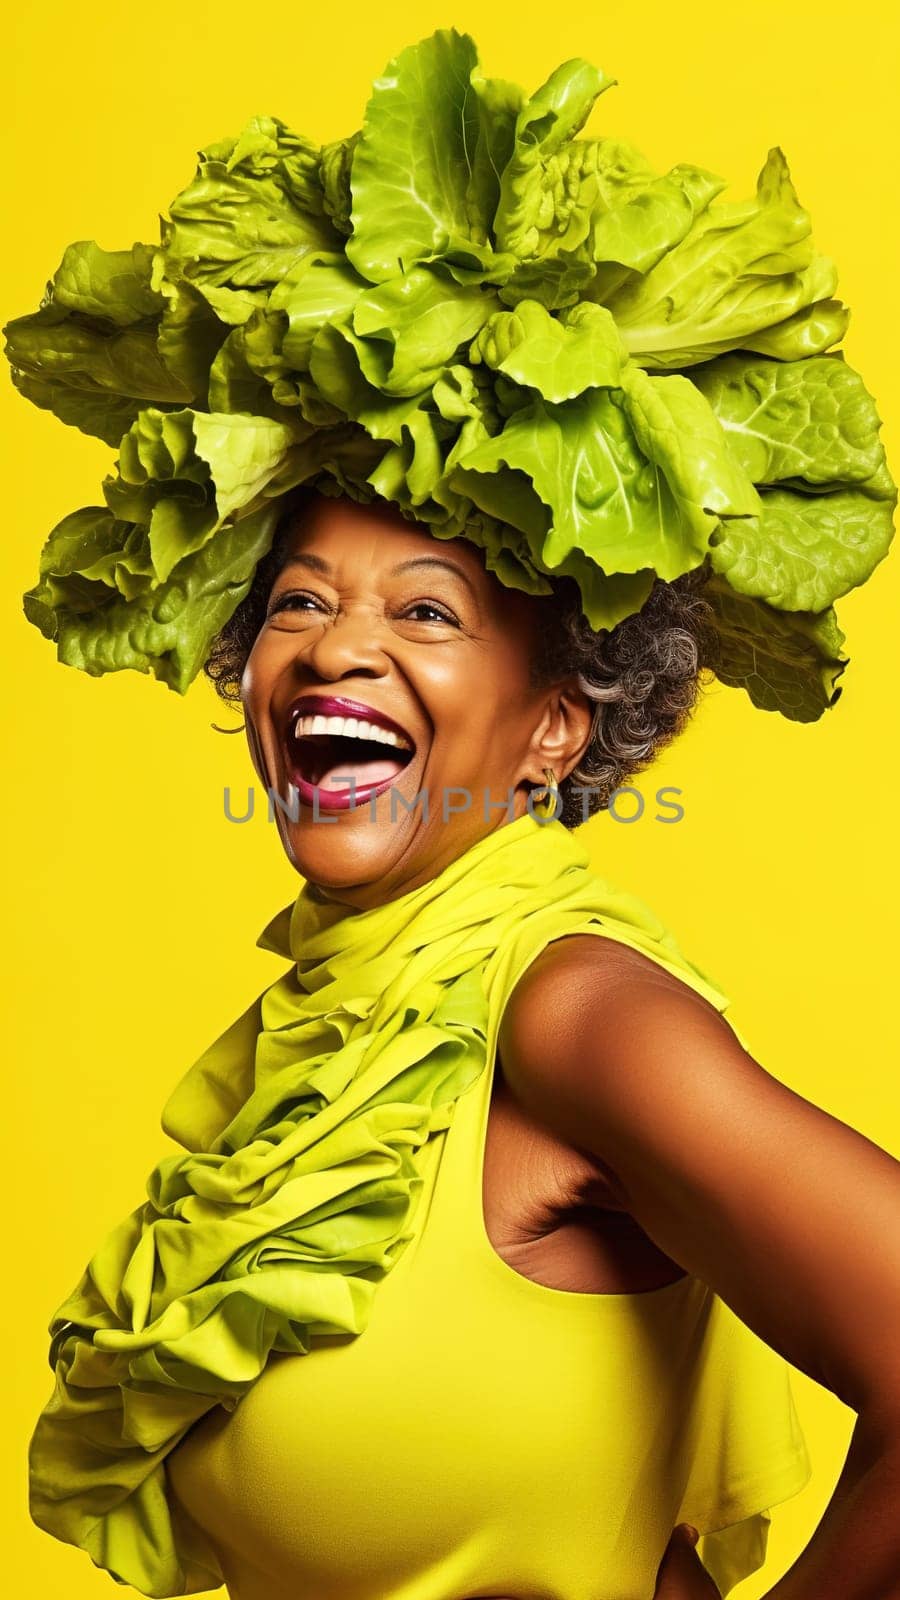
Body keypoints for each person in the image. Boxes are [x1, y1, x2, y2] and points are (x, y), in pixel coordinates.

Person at [6, 29, 899, 1600]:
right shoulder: (324, 1039)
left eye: (428, 613)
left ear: (559, 724)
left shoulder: (572, 1012)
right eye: (299, 601)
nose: (338, 647)